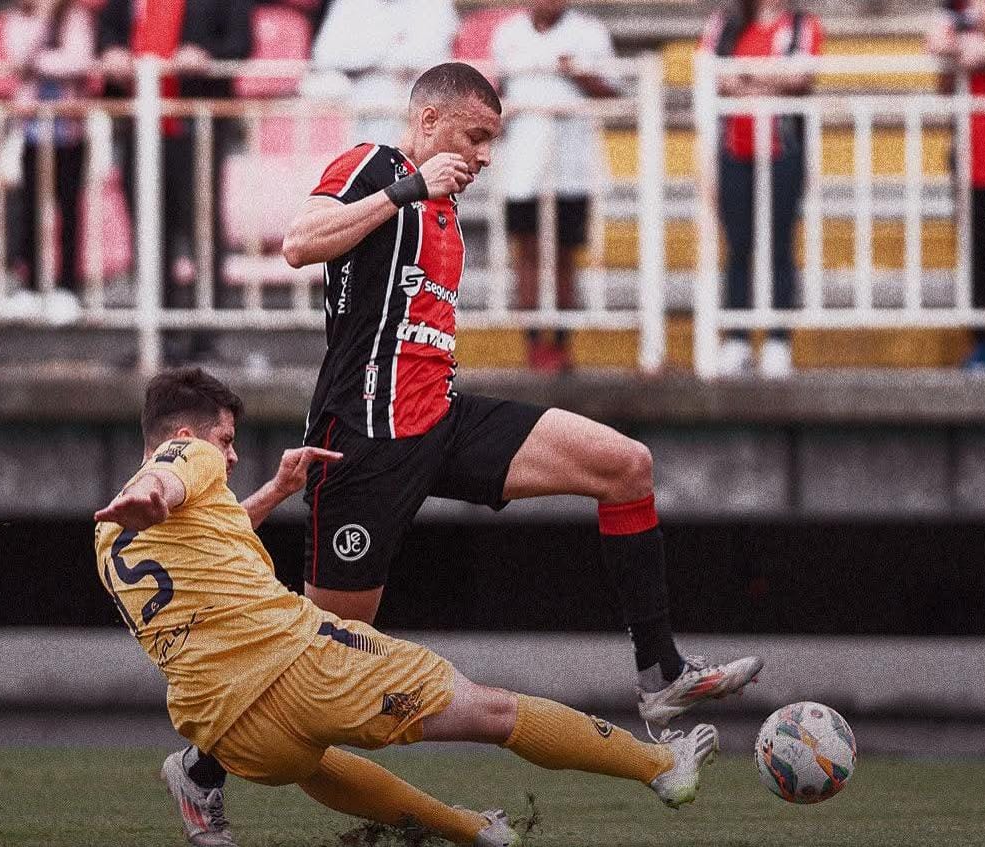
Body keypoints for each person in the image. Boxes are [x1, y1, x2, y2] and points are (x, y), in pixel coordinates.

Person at [172, 59, 761, 826]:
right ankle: (201, 767)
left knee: (625, 464)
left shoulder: (446, 210)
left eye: (492, 143)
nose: (484, 156)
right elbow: (298, 243)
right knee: (322, 649)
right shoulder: (374, 166)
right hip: (364, 444)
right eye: (475, 136)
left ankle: (661, 672)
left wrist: (428, 194)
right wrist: (406, 189)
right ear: (428, 121)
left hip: (441, 420)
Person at [94, 367, 721, 847]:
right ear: (184, 436)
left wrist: (277, 490)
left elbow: (211, 530)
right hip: (303, 666)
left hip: (226, 730)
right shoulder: (184, 458)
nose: (229, 455)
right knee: (492, 711)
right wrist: (155, 491)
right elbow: (168, 479)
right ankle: (660, 765)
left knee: (314, 763)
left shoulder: (107, 539)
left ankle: (468, 829)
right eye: (226, 440)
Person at [99, 0, 253, 362]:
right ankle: (157, 337)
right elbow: (108, 31)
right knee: (149, 234)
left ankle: (205, 339)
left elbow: (241, 43)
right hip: (141, 127)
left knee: (202, 231)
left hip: (197, 127)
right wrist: (111, 52)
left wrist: (206, 57)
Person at [491, 0, 619, 372]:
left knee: (565, 254)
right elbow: (496, 94)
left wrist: (577, 73)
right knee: (527, 252)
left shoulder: (589, 34)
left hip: (571, 163)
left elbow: (615, 93)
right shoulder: (508, 35)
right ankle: (534, 345)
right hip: (523, 164)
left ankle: (561, 344)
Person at [699, 0, 824, 378]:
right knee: (738, 245)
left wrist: (743, 76)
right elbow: (708, 71)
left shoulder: (801, 25)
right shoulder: (724, 24)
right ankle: (737, 338)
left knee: (779, 245)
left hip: (782, 150)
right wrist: (768, 79)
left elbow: (800, 76)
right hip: (734, 150)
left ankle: (777, 339)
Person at [928, 0, 985, 372]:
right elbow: (936, 45)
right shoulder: (959, 22)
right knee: (978, 253)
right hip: (972, 159)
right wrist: (963, 44)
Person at [11, 0, 97, 322]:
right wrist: (42, 29)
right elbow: (18, 60)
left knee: (69, 209)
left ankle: (67, 287)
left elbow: (80, 62)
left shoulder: (76, 18)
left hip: (68, 131)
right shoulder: (20, 19)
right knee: (31, 209)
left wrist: (41, 63)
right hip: (33, 131)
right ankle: (31, 286)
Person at [308, 0, 458, 146]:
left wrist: (371, 46)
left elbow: (425, 54)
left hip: (416, 86)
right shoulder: (349, 3)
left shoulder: (435, 4)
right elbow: (325, 54)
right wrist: (388, 42)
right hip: (362, 87)